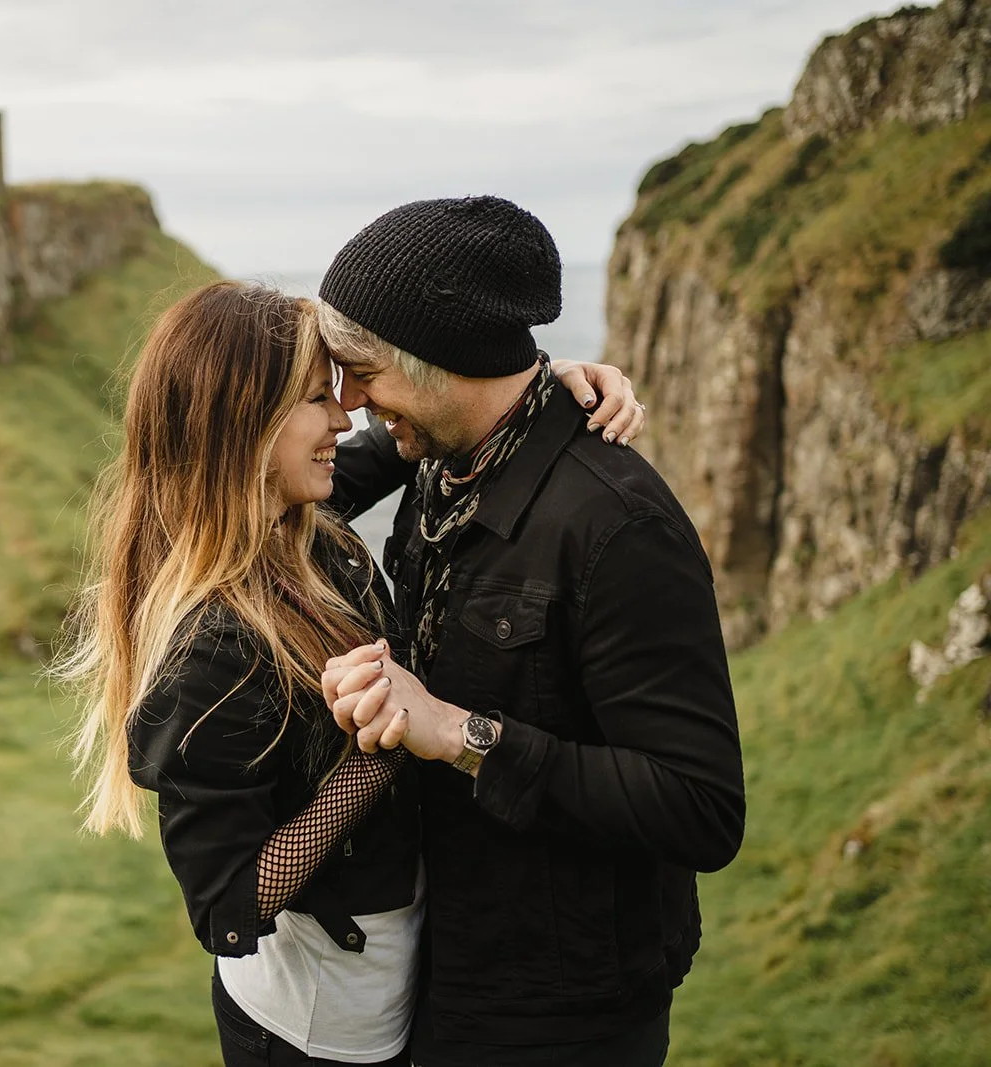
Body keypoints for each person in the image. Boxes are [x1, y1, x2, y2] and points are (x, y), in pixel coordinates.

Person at [61, 279, 646, 1066]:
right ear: (246, 427)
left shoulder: (298, 522)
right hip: (316, 1031)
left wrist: (531, 392)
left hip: (393, 990)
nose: (344, 417)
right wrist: (383, 752)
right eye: (316, 398)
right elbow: (228, 903)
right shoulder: (210, 650)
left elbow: (392, 448)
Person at [317, 197, 746, 1067]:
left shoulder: (618, 525)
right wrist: (525, 386)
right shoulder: (447, 455)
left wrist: (458, 732)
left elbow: (701, 807)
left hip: (561, 1012)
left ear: (446, 364)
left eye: (363, 372)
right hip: (448, 963)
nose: (347, 399)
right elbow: (278, 496)